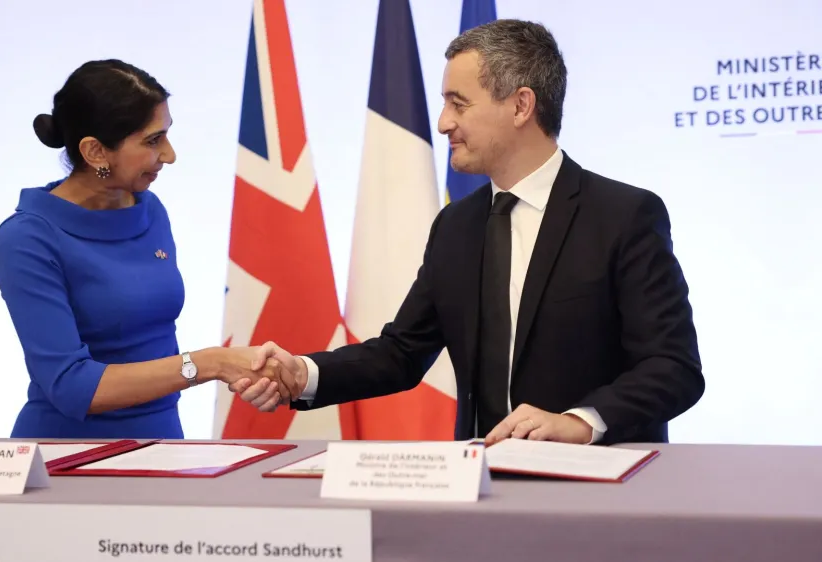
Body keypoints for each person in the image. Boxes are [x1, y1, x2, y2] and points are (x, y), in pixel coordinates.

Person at [232, 19, 705, 446]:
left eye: (458, 104)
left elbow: (673, 368)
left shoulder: (624, 215)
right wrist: (304, 372)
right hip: (479, 492)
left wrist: (581, 422)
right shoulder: (455, 225)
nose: (443, 123)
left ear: (521, 105)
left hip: (600, 495)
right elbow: (401, 353)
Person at [0, 59, 284, 439]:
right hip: (67, 457)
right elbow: (71, 385)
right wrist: (211, 363)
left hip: (162, 441)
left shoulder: (149, 209)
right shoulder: (28, 237)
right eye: (152, 141)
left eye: (165, 135)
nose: (169, 154)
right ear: (96, 152)